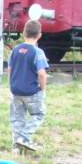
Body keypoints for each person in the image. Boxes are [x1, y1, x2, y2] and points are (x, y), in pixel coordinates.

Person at [9, 19, 49, 152]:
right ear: (39, 35)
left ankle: (16, 147)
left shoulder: (15, 50)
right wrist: (42, 89)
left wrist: (11, 85)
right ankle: (24, 137)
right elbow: (42, 74)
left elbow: (10, 70)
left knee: (17, 119)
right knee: (39, 114)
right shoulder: (38, 52)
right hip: (31, 91)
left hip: (16, 90)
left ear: (23, 33)